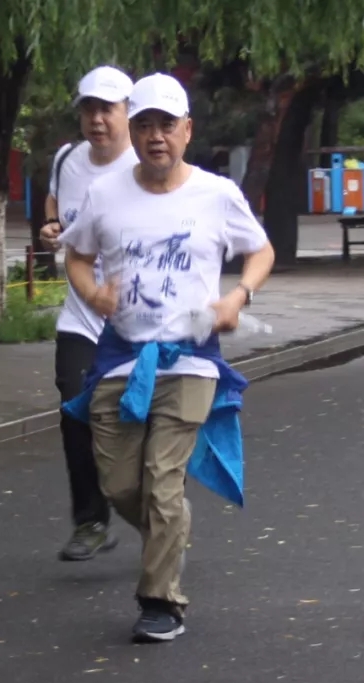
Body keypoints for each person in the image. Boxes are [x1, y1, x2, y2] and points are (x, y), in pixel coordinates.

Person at [60, 72, 276, 642]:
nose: (155, 136)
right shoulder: (105, 195)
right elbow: (76, 256)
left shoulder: (215, 194)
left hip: (190, 359)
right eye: (144, 125)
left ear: (187, 130)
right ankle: (170, 525)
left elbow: (260, 251)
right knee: (118, 486)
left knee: (162, 481)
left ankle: (161, 602)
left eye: (166, 125)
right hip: (120, 359)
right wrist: (93, 294)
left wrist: (238, 296)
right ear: (132, 132)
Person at [40, 66, 138, 562]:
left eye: (107, 109)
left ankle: (159, 515)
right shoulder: (68, 158)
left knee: (140, 422)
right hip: (81, 315)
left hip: (138, 321)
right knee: (75, 410)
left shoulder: (147, 163)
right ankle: (91, 520)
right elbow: (56, 200)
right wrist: (51, 224)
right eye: (88, 110)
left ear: (128, 112)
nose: (97, 120)